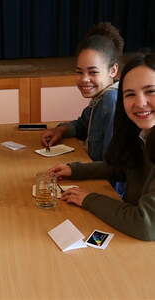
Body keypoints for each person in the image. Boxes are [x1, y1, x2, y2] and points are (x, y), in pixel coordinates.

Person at [48, 52, 155, 241]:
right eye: (130, 94)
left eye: (150, 91)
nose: (140, 102)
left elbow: (144, 224)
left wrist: (89, 199)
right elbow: (123, 166)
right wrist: (75, 170)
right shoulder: (143, 133)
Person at [41, 22, 124, 161]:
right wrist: (60, 130)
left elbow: (111, 165)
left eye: (93, 72)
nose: (84, 79)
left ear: (113, 70)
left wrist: (74, 171)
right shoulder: (101, 97)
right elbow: (83, 124)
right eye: (79, 72)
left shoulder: (111, 100)